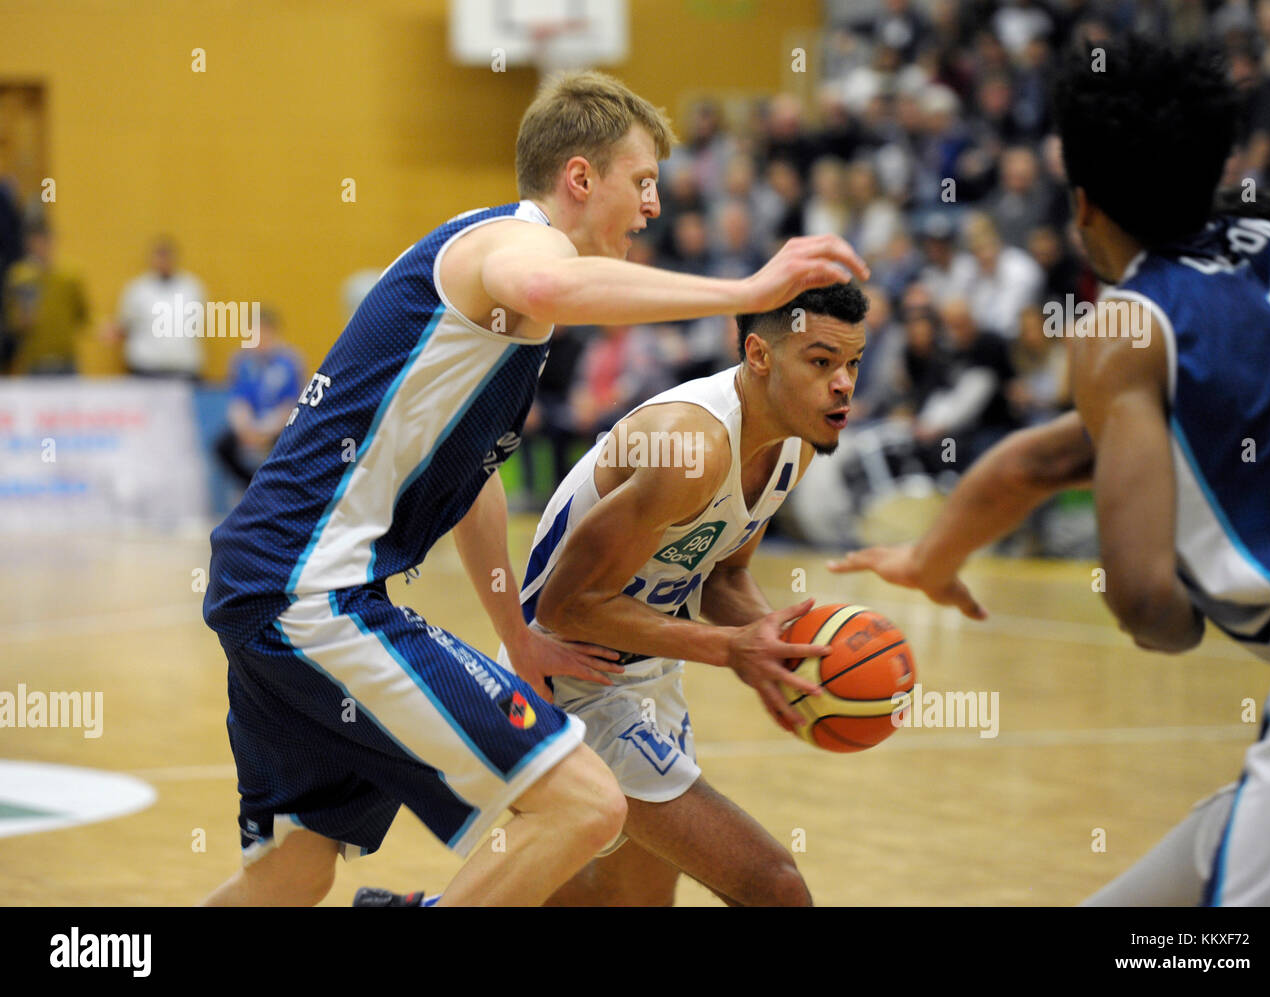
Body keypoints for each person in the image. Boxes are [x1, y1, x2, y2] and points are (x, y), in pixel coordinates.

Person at [199, 69, 868, 907]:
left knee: (292, 873)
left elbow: (473, 482)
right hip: (312, 591)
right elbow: (551, 285)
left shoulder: (506, 323)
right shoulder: (513, 247)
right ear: (581, 179)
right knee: (587, 805)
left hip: (273, 584)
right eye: (644, 182)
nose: (654, 207)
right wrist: (745, 292)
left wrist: (515, 636)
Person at [829, 36, 1270, 906]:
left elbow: (1142, 597)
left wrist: (1177, 626)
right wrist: (929, 561)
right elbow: (1050, 455)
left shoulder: (1132, 322)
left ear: (1084, 206)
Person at [368, 282, 867, 906]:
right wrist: (729, 649)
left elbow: (722, 573)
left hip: (648, 674)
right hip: (569, 675)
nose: (843, 382)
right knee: (775, 887)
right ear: (760, 355)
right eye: (821, 362)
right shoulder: (689, 449)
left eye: (853, 363)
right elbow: (567, 606)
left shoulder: (792, 444)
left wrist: (775, 643)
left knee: (620, 902)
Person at [212, 307, 303, 488]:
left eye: (263, 332)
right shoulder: (242, 361)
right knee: (222, 446)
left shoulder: (289, 361)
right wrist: (245, 429)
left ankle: (278, 487)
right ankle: (251, 486)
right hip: (251, 425)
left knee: (292, 446)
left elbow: (291, 404)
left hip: (279, 426)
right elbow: (239, 401)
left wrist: (266, 431)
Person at [104, 236, 207, 380]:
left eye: (167, 257)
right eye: (159, 257)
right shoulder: (137, 289)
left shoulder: (192, 287)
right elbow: (125, 324)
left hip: (183, 368)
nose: (163, 262)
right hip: (145, 369)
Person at [1, 223, 87, 375]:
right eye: (36, 242)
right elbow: (10, 321)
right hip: (34, 361)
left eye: (45, 241)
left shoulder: (70, 276)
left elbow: (83, 315)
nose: (41, 247)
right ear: (29, 245)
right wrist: (22, 320)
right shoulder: (20, 276)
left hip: (65, 359)